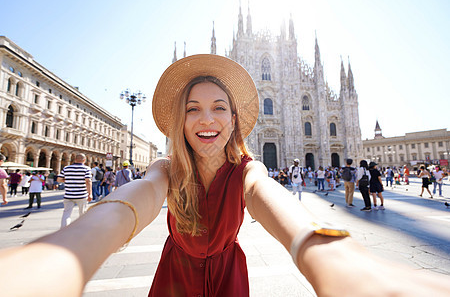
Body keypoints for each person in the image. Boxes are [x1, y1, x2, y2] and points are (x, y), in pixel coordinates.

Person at [0, 54, 449, 297]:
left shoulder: (248, 172)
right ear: (180, 120)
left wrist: (333, 256)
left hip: (229, 280)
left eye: (219, 107)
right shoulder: (166, 170)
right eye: (193, 108)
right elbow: (131, 203)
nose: (206, 119)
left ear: (235, 119)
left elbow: (276, 201)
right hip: (175, 280)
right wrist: (69, 252)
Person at [57, 153, 92, 228]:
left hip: (68, 195)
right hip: (81, 195)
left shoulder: (66, 168)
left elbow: (59, 179)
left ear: (75, 159)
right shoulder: (86, 168)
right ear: (84, 160)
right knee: (82, 213)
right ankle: (82, 229)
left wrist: (68, 180)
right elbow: (88, 181)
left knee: (66, 213)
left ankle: (64, 229)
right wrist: (90, 194)